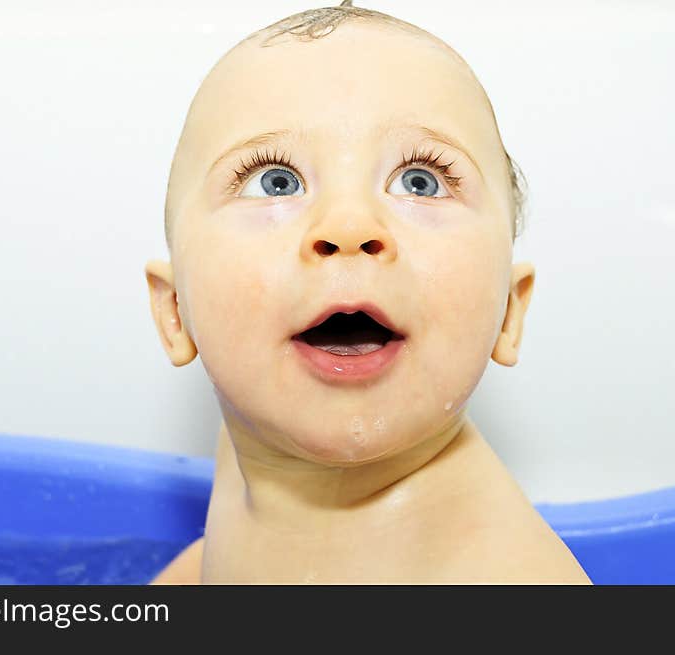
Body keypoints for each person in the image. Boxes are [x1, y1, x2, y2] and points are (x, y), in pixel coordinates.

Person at [145, 1, 591, 584]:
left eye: (420, 181)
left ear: (509, 311)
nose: (349, 227)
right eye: (275, 180)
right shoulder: (257, 443)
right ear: (176, 312)